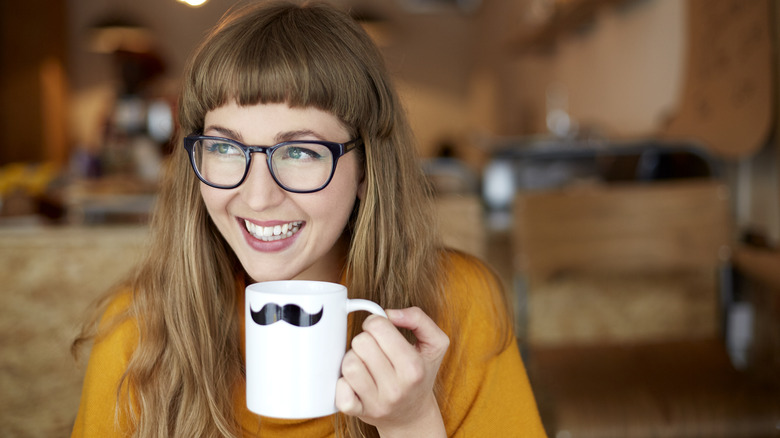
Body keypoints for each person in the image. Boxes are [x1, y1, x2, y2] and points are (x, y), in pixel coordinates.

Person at [71, 1, 547, 437]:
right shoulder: (137, 332)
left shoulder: (459, 305)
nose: (257, 197)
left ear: (367, 170)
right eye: (225, 147)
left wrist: (411, 422)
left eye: (299, 151)